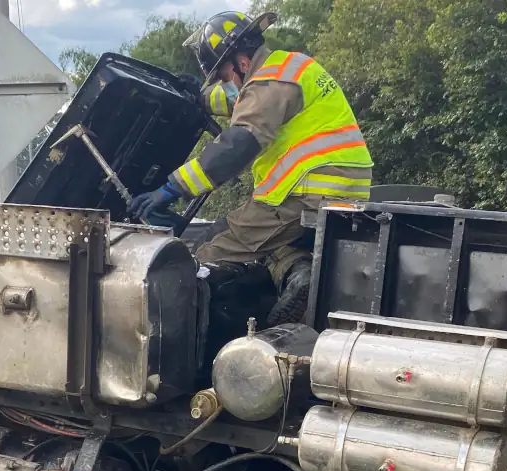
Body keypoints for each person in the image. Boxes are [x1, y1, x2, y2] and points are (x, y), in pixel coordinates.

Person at [129, 10, 374, 325]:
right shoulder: (289, 67)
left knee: (210, 249)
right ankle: (299, 274)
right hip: (343, 188)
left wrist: (171, 187)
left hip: (306, 191)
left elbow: (237, 145)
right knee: (270, 241)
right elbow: (239, 98)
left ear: (242, 63)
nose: (225, 84)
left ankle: (198, 341)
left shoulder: (268, 82)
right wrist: (201, 97)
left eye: (223, 76)